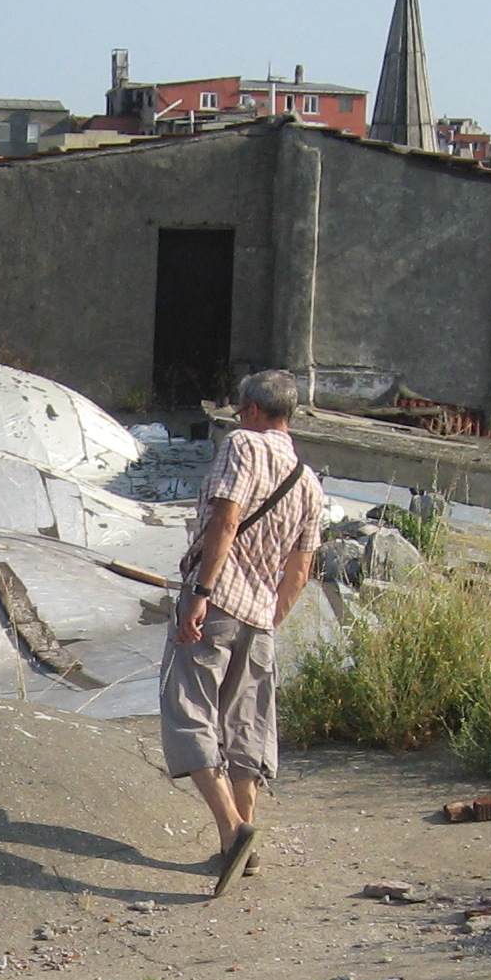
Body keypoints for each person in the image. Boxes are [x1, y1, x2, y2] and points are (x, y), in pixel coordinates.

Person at [164, 369, 323, 895]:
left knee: (188, 713)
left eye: (240, 409)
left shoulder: (241, 445)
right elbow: (300, 570)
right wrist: (269, 619)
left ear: (253, 411)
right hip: (259, 615)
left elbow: (226, 521)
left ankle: (233, 831)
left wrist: (201, 593)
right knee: (246, 726)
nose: (236, 417)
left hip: (218, 602)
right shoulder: (308, 480)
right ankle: (244, 846)